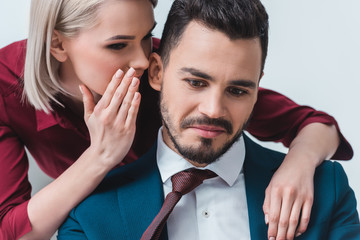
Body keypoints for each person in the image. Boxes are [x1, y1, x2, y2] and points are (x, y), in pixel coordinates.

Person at [0, 0, 352, 239]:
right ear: (58, 44)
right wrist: (100, 157)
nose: (140, 59)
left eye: (144, 37)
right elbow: (11, 229)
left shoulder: (172, 66)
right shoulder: (6, 86)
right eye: (119, 45)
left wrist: (298, 165)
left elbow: (313, 124)